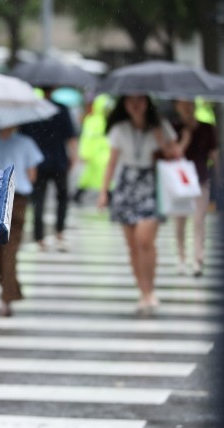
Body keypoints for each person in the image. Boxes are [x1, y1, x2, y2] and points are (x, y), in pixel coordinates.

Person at [97, 95, 178, 313]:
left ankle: (150, 290)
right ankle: (143, 291)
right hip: (127, 185)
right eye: (130, 101)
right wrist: (104, 191)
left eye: (140, 100)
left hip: (151, 182)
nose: (135, 105)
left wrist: (161, 140)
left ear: (147, 103)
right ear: (123, 104)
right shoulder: (119, 129)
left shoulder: (161, 126)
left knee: (145, 240)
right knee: (133, 245)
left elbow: (175, 154)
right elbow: (112, 162)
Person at [0, 125, 44, 316]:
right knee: (10, 248)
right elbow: (32, 175)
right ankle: (8, 294)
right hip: (18, 198)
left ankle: (7, 287)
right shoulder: (26, 143)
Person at [20, 88, 78, 252]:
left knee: (39, 200)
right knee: (62, 198)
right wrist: (74, 157)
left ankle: (39, 238)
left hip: (37, 162)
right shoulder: (61, 109)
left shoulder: (32, 109)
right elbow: (71, 136)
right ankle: (59, 232)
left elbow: (25, 136)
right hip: (59, 160)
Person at [172, 99, 219, 277]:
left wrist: (218, 176)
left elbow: (213, 153)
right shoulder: (174, 127)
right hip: (179, 180)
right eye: (182, 104)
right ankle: (181, 257)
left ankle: (198, 258)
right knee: (180, 221)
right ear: (177, 107)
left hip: (200, 179)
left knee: (199, 220)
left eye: (189, 104)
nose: (187, 107)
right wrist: (185, 138)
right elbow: (172, 152)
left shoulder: (207, 128)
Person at [73, 94, 111, 204]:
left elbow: (87, 139)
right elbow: (88, 139)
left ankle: (78, 196)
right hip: (98, 155)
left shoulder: (93, 120)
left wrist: (85, 153)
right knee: (100, 178)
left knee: (92, 178)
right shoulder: (99, 120)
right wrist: (85, 153)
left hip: (98, 155)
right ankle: (108, 197)